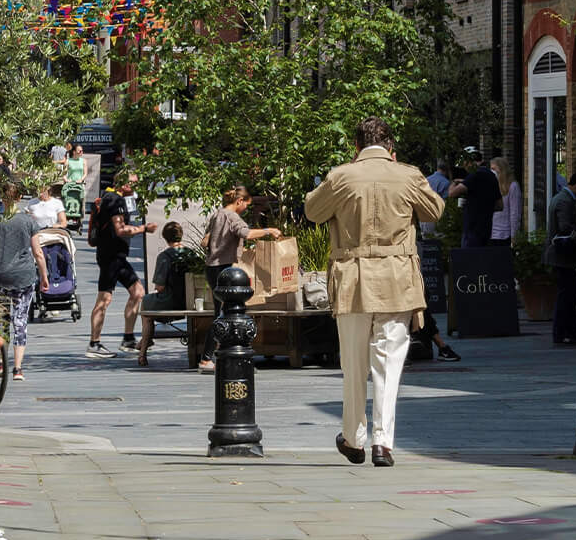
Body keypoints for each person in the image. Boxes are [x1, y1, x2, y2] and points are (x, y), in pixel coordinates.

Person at [305, 116, 444, 468]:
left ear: (356, 146)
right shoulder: (408, 174)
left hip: (353, 279)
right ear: (391, 147)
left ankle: (354, 438)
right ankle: (383, 442)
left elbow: (312, 211)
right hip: (397, 278)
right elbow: (435, 211)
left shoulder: (342, 175)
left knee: (353, 366)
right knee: (388, 364)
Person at [199, 184, 281, 371]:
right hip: (223, 268)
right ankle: (207, 359)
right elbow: (247, 233)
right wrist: (269, 230)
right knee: (225, 314)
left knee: (223, 312)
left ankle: (218, 355)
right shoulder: (232, 216)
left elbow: (208, 239)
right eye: (246, 205)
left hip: (212, 267)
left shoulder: (217, 214)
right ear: (239, 201)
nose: (246, 208)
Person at [0, 181, 49, 383]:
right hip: (23, 276)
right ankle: (18, 368)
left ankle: (2, 364)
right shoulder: (28, 222)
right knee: (20, 322)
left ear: (2, 198)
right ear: (20, 198)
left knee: (2, 321)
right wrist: (44, 276)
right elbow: (38, 252)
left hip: (0, 276)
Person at [88, 167, 158, 355]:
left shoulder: (111, 198)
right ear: (125, 184)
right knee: (104, 299)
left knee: (138, 292)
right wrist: (144, 228)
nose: (135, 187)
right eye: (134, 183)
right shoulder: (115, 200)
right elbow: (120, 229)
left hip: (117, 256)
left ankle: (128, 339)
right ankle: (94, 344)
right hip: (110, 256)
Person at [546, 166, 576, 346]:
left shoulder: (559, 198)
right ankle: (563, 333)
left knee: (569, 294)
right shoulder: (565, 201)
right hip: (563, 256)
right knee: (567, 295)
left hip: (561, 256)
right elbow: (564, 227)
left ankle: (567, 332)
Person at [449, 152, 500, 249]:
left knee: (470, 259)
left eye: (464, 165)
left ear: (469, 162)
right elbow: (500, 205)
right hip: (487, 227)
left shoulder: (474, 176)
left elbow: (452, 193)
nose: (465, 168)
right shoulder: (492, 176)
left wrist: (454, 182)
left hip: (472, 228)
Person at [491, 157, 524, 244]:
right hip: (491, 233)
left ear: (502, 169)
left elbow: (515, 213)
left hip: (505, 234)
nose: (492, 172)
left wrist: (514, 236)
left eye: (494, 169)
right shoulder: (493, 186)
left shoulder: (513, 186)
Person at [63, 141, 87, 226]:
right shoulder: (68, 161)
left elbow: (85, 173)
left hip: (79, 184)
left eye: (82, 151)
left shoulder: (83, 161)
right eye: (79, 151)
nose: (81, 152)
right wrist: (66, 179)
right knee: (64, 197)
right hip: (69, 183)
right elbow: (64, 173)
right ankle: (64, 216)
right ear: (74, 152)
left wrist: (81, 179)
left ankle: (81, 217)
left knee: (82, 198)